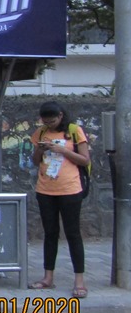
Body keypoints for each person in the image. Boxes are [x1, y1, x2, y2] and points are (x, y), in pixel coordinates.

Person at [28, 101, 91, 298]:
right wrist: (40, 149)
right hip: (45, 189)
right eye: (45, 121)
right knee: (50, 233)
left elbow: (85, 160)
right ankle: (48, 277)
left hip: (70, 189)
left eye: (52, 121)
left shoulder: (74, 131)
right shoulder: (40, 132)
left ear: (61, 116)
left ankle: (79, 281)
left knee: (73, 234)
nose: (49, 124)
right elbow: (35, 161)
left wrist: (62, 150)